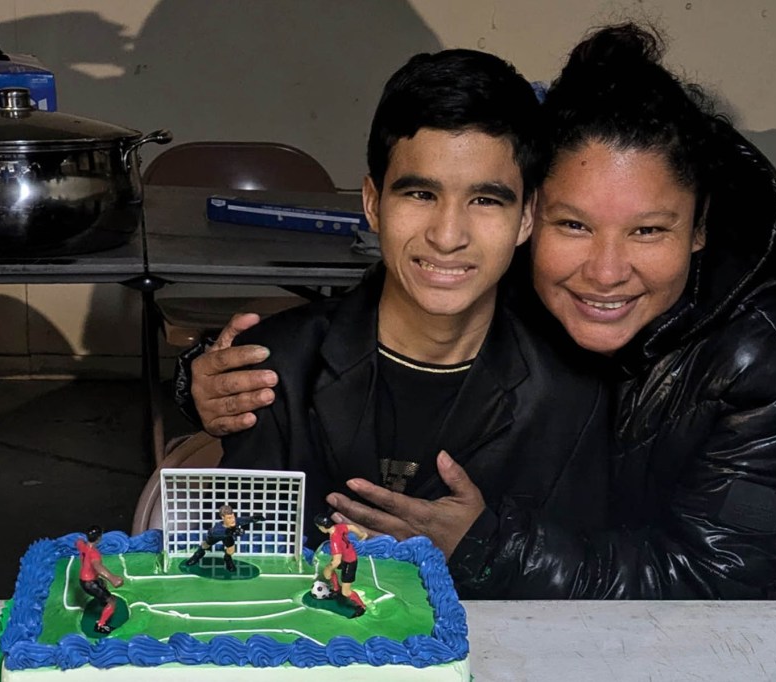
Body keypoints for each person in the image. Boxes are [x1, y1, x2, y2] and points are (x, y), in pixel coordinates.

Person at [181, 24, 776, 600]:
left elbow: (714, 574)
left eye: (649, 230)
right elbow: (423, 256)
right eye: (574, 225)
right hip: (585, 568)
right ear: (534, 217)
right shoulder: (497, 262)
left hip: (756, 581)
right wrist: (197, 379)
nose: (605, 272)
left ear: (699, 228)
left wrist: (489, 547)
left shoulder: (768, 347)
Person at [202, 49, 614, 564]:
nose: (447, 236)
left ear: (527, 217)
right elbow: (238, 569)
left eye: (485, 200)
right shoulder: (273, 369)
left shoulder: (572, 391)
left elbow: (575, 588)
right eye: (420, 193)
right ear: (373, 203)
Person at [314, 513, 369, 617]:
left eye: (318, 527)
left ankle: (362, 606)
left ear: (322, 527)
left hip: (349, 561)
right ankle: (335, 589)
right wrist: (361, 534)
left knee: (346, 592)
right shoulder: (337, 527)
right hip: (346, 556)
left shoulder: (334, 540)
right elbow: (351, 527)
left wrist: (328, 569)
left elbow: (336, 561)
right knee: (330, 571)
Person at [183, 504, 265, 572]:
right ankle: (197, 555)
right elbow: (214, 532)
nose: (232, 520)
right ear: (223, 517)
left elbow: (246, 519)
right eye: (229, 518)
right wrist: (230, 531)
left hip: (227, 537)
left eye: (233, 516)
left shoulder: (235, 521)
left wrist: (256, 518)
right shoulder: (218, 528)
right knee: (205, 545)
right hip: (215, 536)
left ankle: (227, 559)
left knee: (231, 550)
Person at [75, 525, 124, 634]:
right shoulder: (94, 553)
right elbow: (98, 567)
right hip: (90, 583)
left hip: (84, 579)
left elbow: (77, 542)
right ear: (98, 538)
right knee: (112, 602)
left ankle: (103, 601)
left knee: (102, 583)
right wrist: (113, 578)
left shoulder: (82, 545)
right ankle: (101, 625)